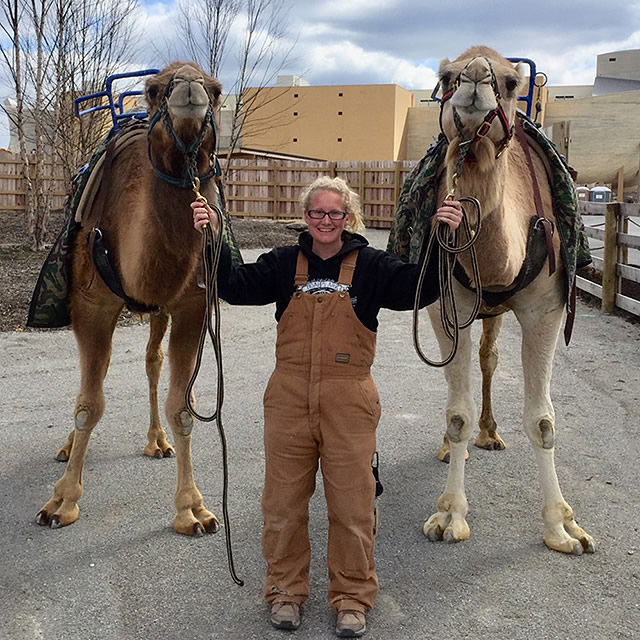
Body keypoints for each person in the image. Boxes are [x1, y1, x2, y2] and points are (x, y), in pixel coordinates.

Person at [191, 177, 462, 638]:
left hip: (349, 401)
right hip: (289, 400)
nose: (325, 221)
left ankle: (353, 598)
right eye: (317, 213)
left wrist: (443, 239)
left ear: (348, 218)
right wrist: (213, 234)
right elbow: (233, 287)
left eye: (335, 213)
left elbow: (421, 288)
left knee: (353, 507)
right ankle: (285, 592)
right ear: (306, 216)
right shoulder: (282, 264)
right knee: (282, 505)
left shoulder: (372, 265)